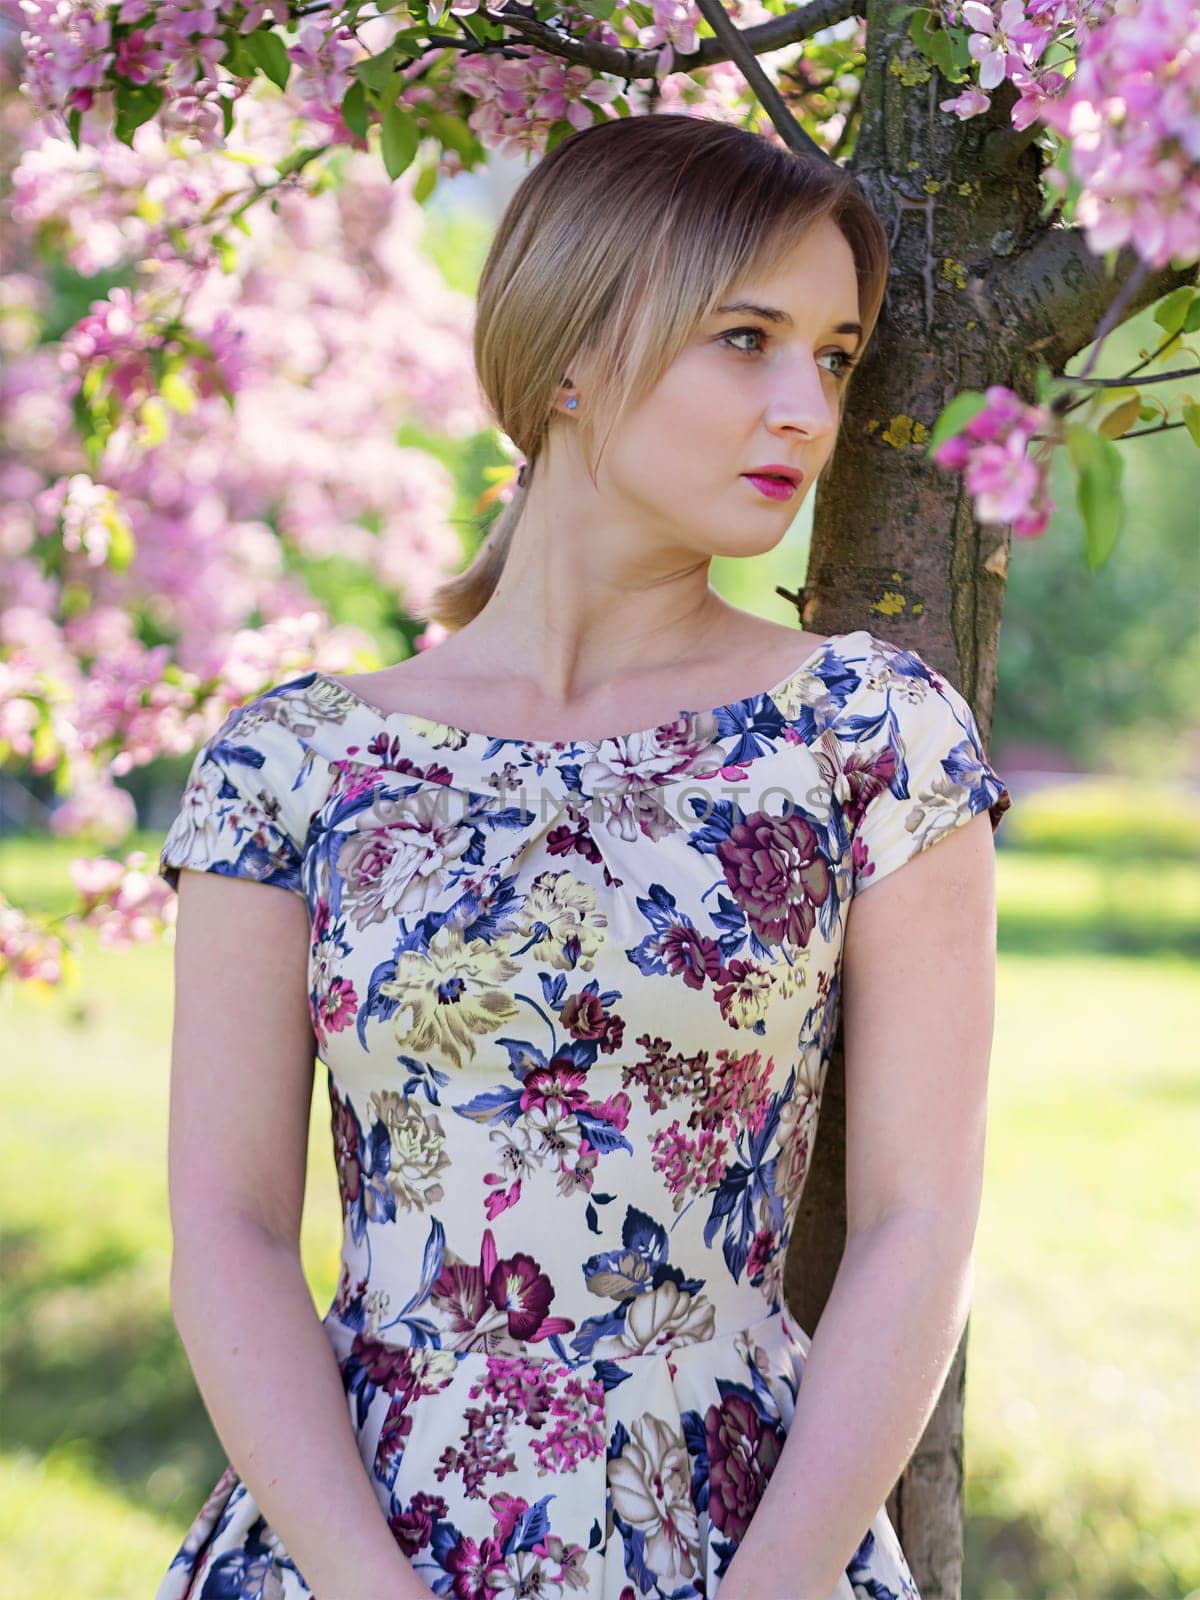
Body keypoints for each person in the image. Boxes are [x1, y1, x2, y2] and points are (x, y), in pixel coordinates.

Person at [156, 113, 1011, 1600]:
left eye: (833, 352)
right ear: (567, 349)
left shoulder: (867, 733)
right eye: (746, 338)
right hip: (353, 1539)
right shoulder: (287, 762)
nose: (804, 406)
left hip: (737, 1542)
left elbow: (918, 1224)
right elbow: (226, 1229)